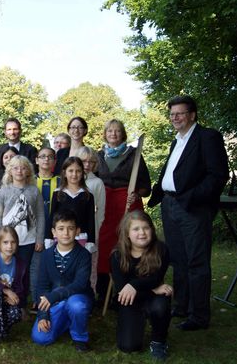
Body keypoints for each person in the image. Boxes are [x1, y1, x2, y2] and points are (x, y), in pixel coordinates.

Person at [148, 95, 229, 331]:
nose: (175, 117)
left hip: (192, 208)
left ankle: (199, 316)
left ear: (192, 114)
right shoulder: (176, 141)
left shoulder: (207, 137)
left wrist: (191, 197)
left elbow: (218, 175)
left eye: (180, 113)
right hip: (170, 205)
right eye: (172, 114)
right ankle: (182, 306)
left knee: (196, 261)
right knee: (178, 260)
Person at [95, 119, 151, 300]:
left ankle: (127, 290)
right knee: (103, 246)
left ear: (123, 134)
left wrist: (136, 194)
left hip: (127, 205)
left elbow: (145, 186)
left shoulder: (134, 155)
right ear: (105, 134)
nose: (113, 134)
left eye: (117, 131)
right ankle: (103, 292)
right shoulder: (98, 156)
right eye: (110, 131)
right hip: (105, 206)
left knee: (127, 244)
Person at [111, 210, 172, 361]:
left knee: (162, 301)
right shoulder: (117, 255)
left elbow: (156, 278)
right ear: (127, 234)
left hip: (153, 299)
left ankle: (159, 341)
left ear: (152, 229)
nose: (142, 233)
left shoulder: (161, 249)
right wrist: (151, 289)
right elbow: (121, 290)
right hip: (129, 301)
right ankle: (136, 322)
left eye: (146, 228)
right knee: (128, 347)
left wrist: (133, 285)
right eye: (136, 229)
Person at [31, 210, 94, 352]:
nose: (66, 233)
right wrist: (43, 315)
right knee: (40, 338)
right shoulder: (46, 255)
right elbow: (42, 286)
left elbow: (79, 284)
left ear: (77, 231)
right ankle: (66, 320)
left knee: (76, 305)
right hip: (56, 301)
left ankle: (80, 338)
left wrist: (53, 296)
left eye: (70, 228)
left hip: (78, 297)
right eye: (61, 228)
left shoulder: (84, 255)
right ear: (54, 232)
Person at [0, 155, 45, 308]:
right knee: (9, 271)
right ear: (9, 171)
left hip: (28, 240)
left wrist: (39, 239)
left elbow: (41, 216)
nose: (19, 171)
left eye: (23, 168)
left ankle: (21, 304)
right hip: (8, 241)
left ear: (29, 171)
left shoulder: (34, 191)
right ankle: (7, 300)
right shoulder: (3, 191)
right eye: (15, 168)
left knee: (24, 272)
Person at [76, 146, 106, 290]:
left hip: (90, 231)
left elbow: (100, 210)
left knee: (89, 264)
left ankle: (89, 292)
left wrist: (96, 232)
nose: (87, 165)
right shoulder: (71, 180)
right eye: (83, 161)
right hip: (71, 231)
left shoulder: (97, 183)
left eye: (91, 162)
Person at [51, 157, 95, 246]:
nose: (74, 174)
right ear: (64, 173)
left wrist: (91, 241)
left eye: (78, 171)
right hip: (62, 237)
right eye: (70, 171)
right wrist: (48, 237)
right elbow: (52, 216)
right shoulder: (58, 193)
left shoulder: (88, 195)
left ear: (82, 173)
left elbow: (91, 220)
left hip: (81, 238)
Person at [35, 147, 60, 249]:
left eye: (50, 157)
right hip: (34, 231)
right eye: (43, 156)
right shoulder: (30, 181)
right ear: (36, 160)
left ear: (55, 161)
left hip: (56, 230)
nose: (46, 159)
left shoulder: (61, 181)